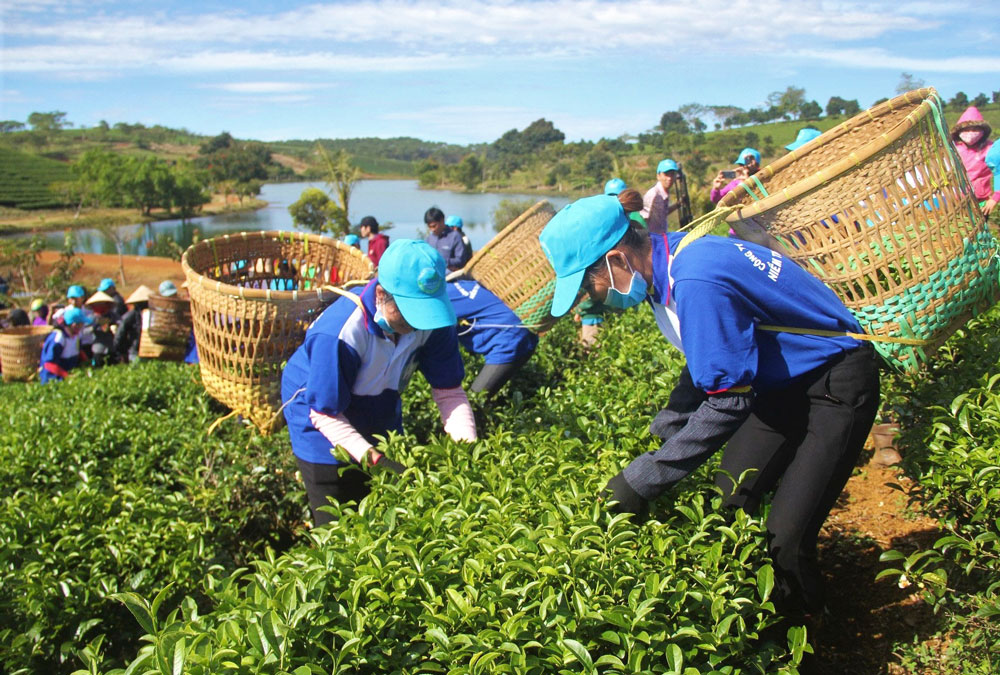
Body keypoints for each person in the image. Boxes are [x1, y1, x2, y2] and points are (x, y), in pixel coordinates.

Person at [539, 194, 880, 618]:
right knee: (727, 509)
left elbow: (728, 404)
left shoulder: (695, 278)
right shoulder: (668, 260)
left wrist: (644, 478)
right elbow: (708, 355)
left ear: (616, 260)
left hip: (832, 383)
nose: (594, 297)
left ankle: (810, 634)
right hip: (774, 385)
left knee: (785, 539)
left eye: (590, 284)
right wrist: (668, 428)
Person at [280, 240, 478, 526]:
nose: (416, 325)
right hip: (320, 418)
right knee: (337, 520)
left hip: (379, 406)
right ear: (382, 294)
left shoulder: (433, 322)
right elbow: (325, 412)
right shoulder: (340, 332)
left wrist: (468, 452)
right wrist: (375, 460)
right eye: (409, 313)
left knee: (385, 512)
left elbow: (449, 393)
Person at [447, 279, 538, 397]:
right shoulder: (461, 285)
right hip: (521, 333)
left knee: (475, 401)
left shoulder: (442, 298)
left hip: (509, 342)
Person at [951, 106, 1000, 218]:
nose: (970, 133)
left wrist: (995, 198)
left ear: (983, 131)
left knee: (979, 231)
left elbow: (999, 173)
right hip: (955, 200)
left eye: (975, 129)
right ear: (959, 131)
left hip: (980, 200)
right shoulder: (953, 148)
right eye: (967, 130)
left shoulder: (990, 148)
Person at [39, 306, 94, 383]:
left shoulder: (76, 335)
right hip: (52, 380)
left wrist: (88, 363)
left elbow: (79, 350)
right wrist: (67, 376)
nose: (82, 327)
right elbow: (49, 364)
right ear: (74, 325)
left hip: (67, 376)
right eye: (81, 324)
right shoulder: (58, 338)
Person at [640, 159, 683, 234]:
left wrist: (678, 205)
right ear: (658, 176)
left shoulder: (664, 193)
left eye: (672, 174)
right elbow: (642, 219)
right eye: (666, 174)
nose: (669, 178)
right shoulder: (653, 194)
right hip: (652, 240)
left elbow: (663, 213)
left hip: (662, 237)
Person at [114, 285, 152, 364]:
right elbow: (120, 334)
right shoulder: (131, 316)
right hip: (136, 350)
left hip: (146, 350)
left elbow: (119, 334)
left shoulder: (152, 314)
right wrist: (122, 350)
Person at [425, 207, 470, 271]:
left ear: (442, 221)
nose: (432, 229)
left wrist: (442, 261)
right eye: (429, 227)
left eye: (434, 226)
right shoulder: (429, 239)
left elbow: (461, 260)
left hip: (451, 274)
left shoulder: (455, 236)